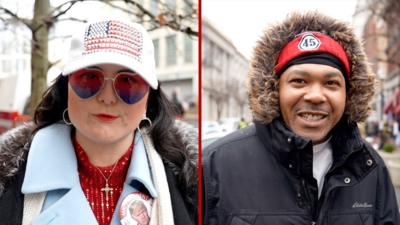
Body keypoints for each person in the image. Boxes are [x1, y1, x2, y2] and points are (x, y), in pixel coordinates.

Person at [203, 12, 400, 225]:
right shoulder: (216, 166)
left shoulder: (370, 168)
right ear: (275, 89)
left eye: (331, 83)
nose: (315, 96)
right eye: (299, 81)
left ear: (349, 95)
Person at [0, 19, 197, 225]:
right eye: (89, 78)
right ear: (65, 88)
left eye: (128, 82)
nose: (107, 98)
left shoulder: (191, 184)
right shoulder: (8, 181)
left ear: (149, 97)